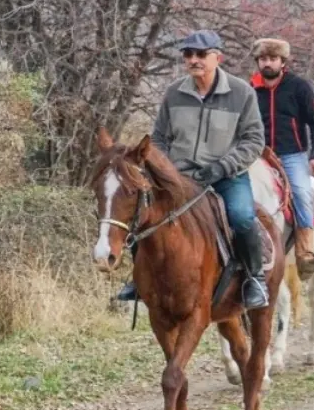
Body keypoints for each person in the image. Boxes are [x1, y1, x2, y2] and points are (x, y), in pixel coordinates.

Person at [115, 30, 270, 309]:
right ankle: (138, 280)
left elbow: (254, 140)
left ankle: (253, 279)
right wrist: (167, 169)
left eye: (201, 54)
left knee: (243, 217)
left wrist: (222, 167)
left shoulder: (242, 93)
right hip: (179, 177)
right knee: (142, 212)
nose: (193, 60)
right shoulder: (174, 92)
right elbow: (159, 138)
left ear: (217, 57)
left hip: (226, 175)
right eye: (188, 54)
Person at [250, 37, 314, 276]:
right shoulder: (250, 89)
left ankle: (304, 253)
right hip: (257, 153)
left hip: (292, 153)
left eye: (272, 59)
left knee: (302, 195)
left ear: (283, 62)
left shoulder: (299, 87)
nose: (267, 64)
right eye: (263, 59)